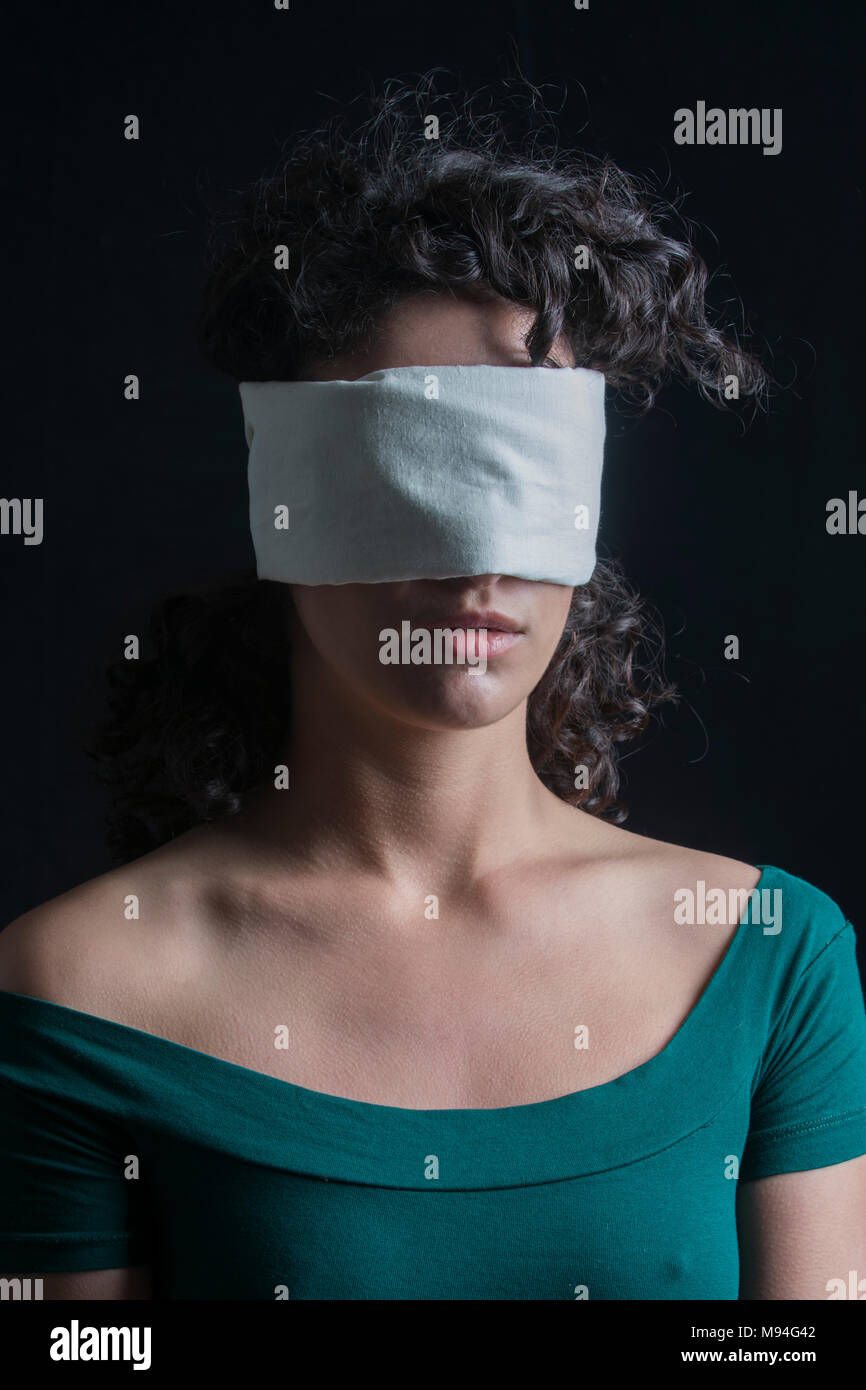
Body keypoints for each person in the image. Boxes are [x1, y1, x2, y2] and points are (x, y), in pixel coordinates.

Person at [1, 77, 864, 1302]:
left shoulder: (767, 956)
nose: (481, 562)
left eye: (526, 474)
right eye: (414, 469)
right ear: (284, 495)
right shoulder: (78, 985)